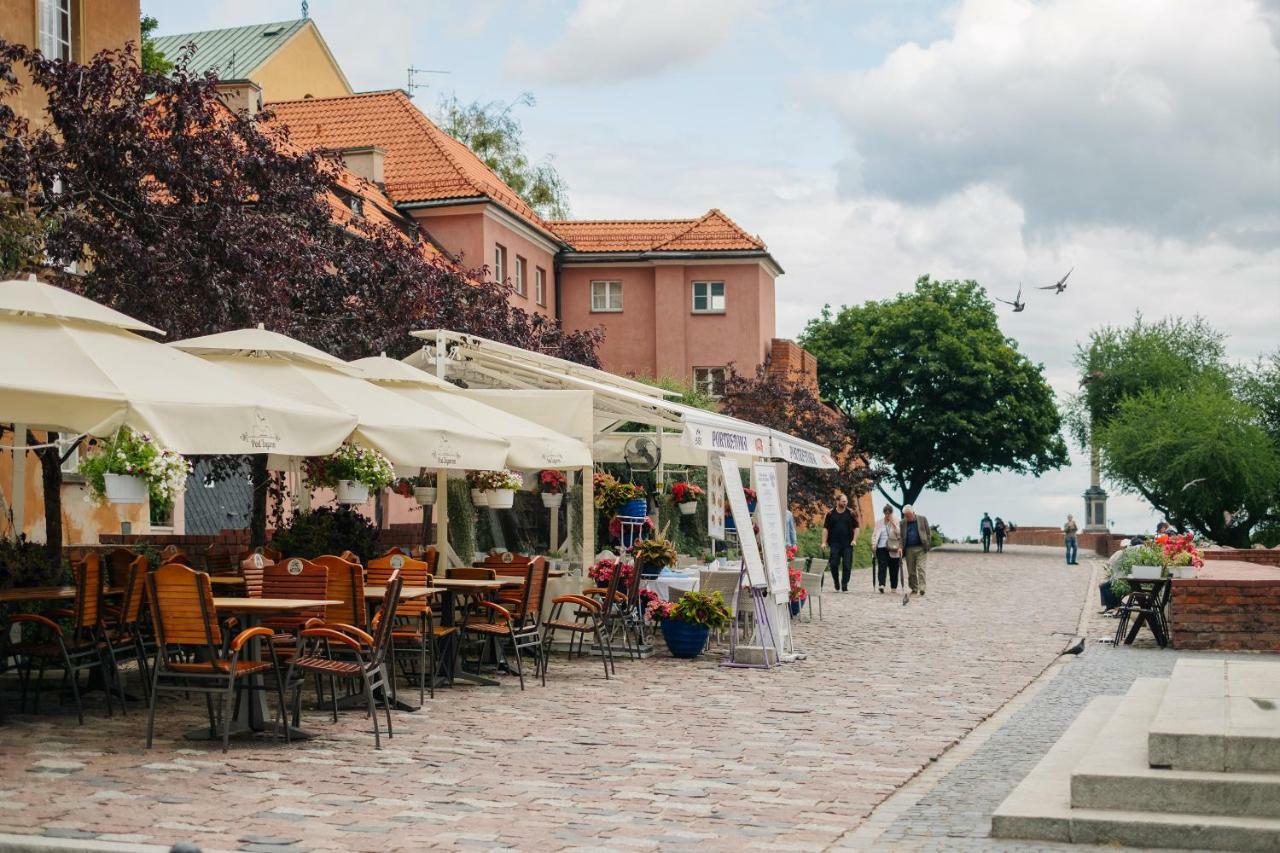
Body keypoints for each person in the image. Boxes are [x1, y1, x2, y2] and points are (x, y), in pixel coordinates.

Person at [821, 493, 859, 592]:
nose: (845, 503)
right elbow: (826, 529)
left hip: (848, 544)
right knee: (833, 564)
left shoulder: (851, 513)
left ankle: (844, 584)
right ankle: (836, 581)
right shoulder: (830, 514)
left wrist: (854, 540)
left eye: (846, 501)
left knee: (847, 565)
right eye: (843, 501)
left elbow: (856, 528)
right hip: (834, 544)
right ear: (837, 501)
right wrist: (824, 542)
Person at [901, 504, 932, 597]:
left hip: (921, 548)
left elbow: (928, 533)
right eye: (906, 516)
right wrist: (900, 547)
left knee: (921, 568)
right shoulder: (902, 523)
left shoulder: (922, 519)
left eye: (909, 515)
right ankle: (914, 588)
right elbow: (901, 537)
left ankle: (922, 588)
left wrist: (927, 544)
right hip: (909, 549)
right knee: (911, 571)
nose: (908, 517)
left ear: (913, 513)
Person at [873, 504, 902, 593]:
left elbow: (900, 534)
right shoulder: (879, 522)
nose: (887, 515)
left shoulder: (897, 521)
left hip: (893, 548)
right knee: (882, 566)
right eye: (886, 513)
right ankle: (882, 585)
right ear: (884, 513)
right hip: (881, 547)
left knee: (894, 568)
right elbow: (874, 535)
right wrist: (873, 545)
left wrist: (893, 524)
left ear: (892, 513)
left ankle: (893, 587)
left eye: (889, 513)